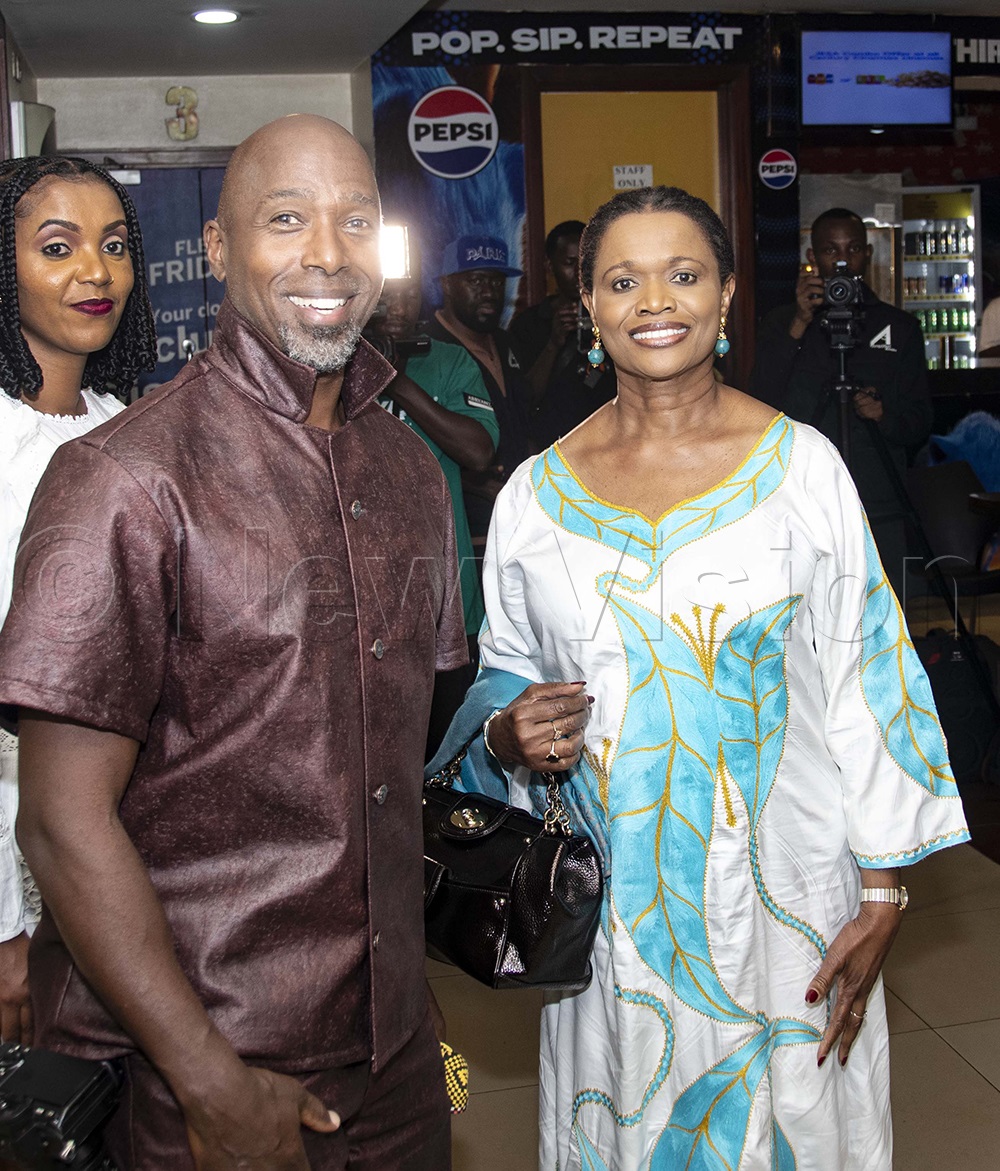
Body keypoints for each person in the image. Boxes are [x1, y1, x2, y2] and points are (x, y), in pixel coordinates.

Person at [429, 186, 969, 1170]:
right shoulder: (533, 499)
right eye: (621, 280)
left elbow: (868, 676)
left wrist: (884, 894)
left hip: (796, 900)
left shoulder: (803, 469)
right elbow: (496, 678)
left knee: (794, 1127)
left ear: (724, 297)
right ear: (585, 306)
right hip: (614, 919)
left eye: (683, 274)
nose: (654, 300)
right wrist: (506, 734)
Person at [0, 115, 466, 1169]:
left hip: (393, 1053)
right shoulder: (124, 479)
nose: (327, 254)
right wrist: (207, 1075)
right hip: (207, 1063)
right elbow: (62, 823)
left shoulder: (406, 476)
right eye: (285, 220)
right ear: (217, 251)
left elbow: (387, 777)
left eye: (356, 220)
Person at [0, 155, 156, 1048]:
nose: (95, 273)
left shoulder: (122, 431)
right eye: (57, 246)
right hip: (25, 849)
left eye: (114, 246)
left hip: (121, 845)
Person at [749, 208, 932, 597]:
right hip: (803, 503)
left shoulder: (899, 328)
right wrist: (798, 322)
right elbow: (758, 404)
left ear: (867, 254)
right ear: (812, 257)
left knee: (885, 621)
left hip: (878, 499)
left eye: (852, 249)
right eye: (831, 250)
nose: (843, 260)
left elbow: (920, 421)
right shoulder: (783, 323)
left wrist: (884, 416)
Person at [369, 274, 499, 754]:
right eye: (384, 293)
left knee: (449, 761)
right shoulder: (332, 367)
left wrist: (397, 381)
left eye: (407, 290)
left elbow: (479, 450)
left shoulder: (447, 360)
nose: (397, 304)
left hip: (446, 596)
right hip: (362, 603)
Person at [423, 232, 533, 564]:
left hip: (518, 526)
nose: (489, 291)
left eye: (497, 281)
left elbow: (522, 418)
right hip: (461, 533)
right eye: (476, 280)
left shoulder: (506, 341)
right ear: (446, 284)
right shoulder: (426, 350)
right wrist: (475, 483)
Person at [509, 219, 617, 449]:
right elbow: (522, 399)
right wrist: (554, 343)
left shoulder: (615, 316)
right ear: (550, 266)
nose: (579, 274)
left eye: (586, 264)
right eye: (570, 263)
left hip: (609, 444)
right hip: (550, 448)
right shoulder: (530, 324)